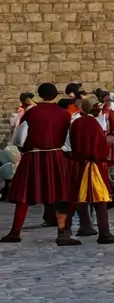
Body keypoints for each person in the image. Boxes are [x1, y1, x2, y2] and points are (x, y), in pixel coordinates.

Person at [3, 83, 77, 245]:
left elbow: (19, 137)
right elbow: (68, 139)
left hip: (33, 156)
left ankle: (15, 232)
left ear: (40, 94)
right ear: (55, 95)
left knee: (24, 196)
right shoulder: (64, 114)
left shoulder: (32, 112)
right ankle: (63, 232)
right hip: (57, 156)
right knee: (62, 194)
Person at [65, 96, 114, 243]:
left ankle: (84, 226)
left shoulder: (76, 122)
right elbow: (99, 147)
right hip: (93, 165)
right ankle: (104, 233)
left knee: (80, 196)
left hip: (79, 163)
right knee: (100, 198)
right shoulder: (92, 124)